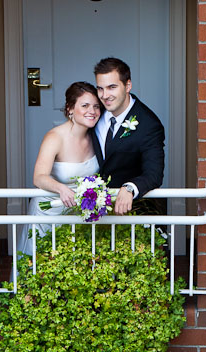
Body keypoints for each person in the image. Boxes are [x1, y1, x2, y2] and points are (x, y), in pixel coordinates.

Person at [17, 82, 101, 255]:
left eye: (96, 106)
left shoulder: (96, 136)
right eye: (85, 105)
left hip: (79, 214)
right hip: (49, 212)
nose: (92, 111)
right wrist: (61, 188)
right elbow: (39, 177)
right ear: (70, 108)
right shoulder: (55, 137)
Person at [90, 57, 165, 215]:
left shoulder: (149, 124)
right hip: (94, 210)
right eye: (100, 89)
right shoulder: (94, 113)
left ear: (128, 85)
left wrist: (130, 187)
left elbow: (154, 174)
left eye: (112, 87)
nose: (105, 95)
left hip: (131, 212)